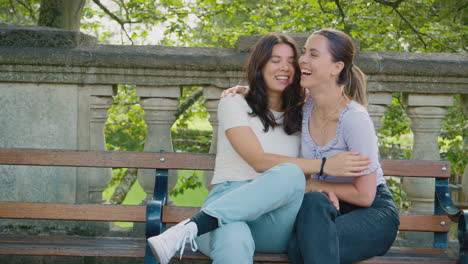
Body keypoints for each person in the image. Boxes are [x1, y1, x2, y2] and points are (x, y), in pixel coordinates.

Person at [147, 33, 371, 264]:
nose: (284, 68)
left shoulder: (303, 111)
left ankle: (192, 226)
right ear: (260, 65)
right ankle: (194, 228)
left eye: (290, 61)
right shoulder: (234, 103)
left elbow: (334, 98)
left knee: (291, 173)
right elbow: (258, 160)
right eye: (275, 61)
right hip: (227, 202)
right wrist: (325, 165)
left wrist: (323, 183)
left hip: (275, 220)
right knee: (233, 236)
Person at [287, 28, 400, 264]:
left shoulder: (354, 118)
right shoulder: (304, 104)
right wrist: (242, 92)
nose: (303, 60)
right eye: (304, 52)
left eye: (314, 54)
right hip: (325, 207)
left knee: (302, 247)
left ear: (336, 67)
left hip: (373, 213)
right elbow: (267, 93)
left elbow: (366, 195)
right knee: (312, 207)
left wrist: (314, 183)